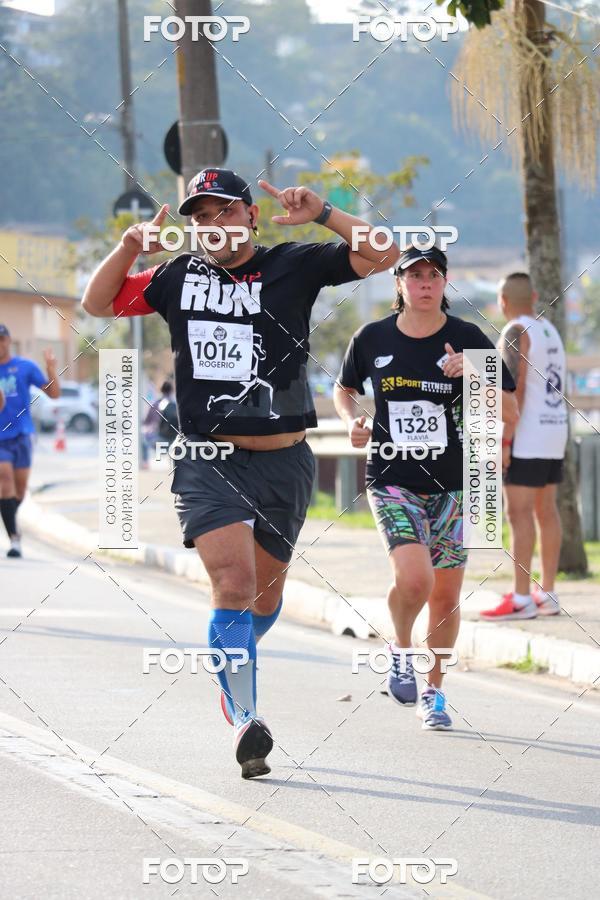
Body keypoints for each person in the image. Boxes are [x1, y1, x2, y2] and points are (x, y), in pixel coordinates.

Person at [81, 166, 398, 777]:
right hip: (208, 457)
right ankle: (246, 719)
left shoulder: (293, 265)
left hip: (285, 459)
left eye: (224, 211)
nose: (211, 225)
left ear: (251, 216)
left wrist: (326, 212)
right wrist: (126, 250)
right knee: (232, 584)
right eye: (199, 217)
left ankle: (233, 665)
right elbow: (98, 304)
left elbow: (384, 255)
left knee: (264, 595)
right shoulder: (177, 277)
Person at [334, 245, 518, 730]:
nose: (424, 283)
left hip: (456, 484)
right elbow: (344, 388)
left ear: (445, 283)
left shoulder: (468, 338)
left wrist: (475, 374)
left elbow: (509, 407)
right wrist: (353, 419)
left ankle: (434, 693)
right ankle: (399, 647)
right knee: (416, 580)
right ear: (399, 285)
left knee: (445, 597)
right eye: (414, 275)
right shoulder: (371, 337)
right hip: (392, 476)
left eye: (433, 275)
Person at [481, 272, 568, 621]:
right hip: (554, 429)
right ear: (533, 296)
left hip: (527, 435)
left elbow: (513, 389)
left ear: (502, 301)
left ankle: (520, 598)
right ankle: (546, 592)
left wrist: (503, 440)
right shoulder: (550, 330)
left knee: (517, 514)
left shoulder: (514, 332)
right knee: (546, 511)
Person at [0, 325, 60, 558]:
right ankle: (15, 539)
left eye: (2, 339)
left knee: (19, 491)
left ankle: (8, 517)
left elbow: (53, 394)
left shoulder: (25, 367)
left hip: (22, 435)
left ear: (8, 341)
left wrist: (51, 369)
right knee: (4, 480)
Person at [142, 379, 176, 464]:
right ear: (172, 390)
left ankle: (145, 463)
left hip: (159, 440)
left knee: (143, 442)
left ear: (161, 390)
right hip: (175, 440)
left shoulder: (155, 404)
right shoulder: (176, 405)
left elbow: (146, 421)